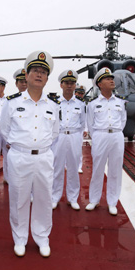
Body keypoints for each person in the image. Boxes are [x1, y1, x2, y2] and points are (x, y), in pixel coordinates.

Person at [0, 51, 59, 258]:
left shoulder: (53, 105)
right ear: (26, 74)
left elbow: (54, 133)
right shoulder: (12, 102)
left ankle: (42, 238)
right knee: (19, 198)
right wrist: (22, 146)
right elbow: (5, 130)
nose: (39, 74)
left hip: (44, 156)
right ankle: (20, 238)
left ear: (47, 78)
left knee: (44, 198)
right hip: (20, 156)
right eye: (35, 70)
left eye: (43, 72)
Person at [85, 67, 127, 215]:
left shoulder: (120, 102)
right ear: (99, 84)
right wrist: (97, 136)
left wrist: (115, 131)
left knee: (115, 170)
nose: (111, 81)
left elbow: (123, 121)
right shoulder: (92, 104)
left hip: (116, 135)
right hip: (100, 136)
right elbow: (90, 124)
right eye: (107, 79)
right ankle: (94, 200)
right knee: (97, 169)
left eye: (112, 79)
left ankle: (112, 202)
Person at [51, 70, 85, 211]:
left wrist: (78, 138)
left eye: (72, 83)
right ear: (61, 85)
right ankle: (54, 197)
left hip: (74, 136)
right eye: (67, 83)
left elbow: (82, 123)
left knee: (73, 168)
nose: (69, 86)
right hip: (58, 137)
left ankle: (72, 198)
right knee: (56, 168)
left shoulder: (81, 104)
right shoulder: (54, 103)